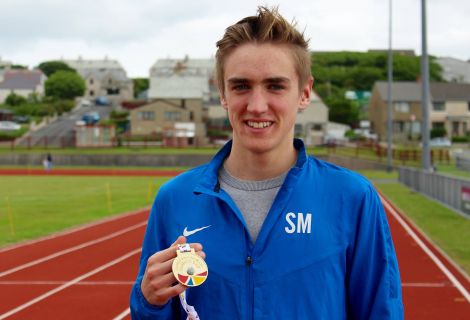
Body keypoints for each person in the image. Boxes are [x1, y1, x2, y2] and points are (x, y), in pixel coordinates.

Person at [130, 6, 404, 319]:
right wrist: (148, 301)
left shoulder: (352, 196)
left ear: (304, 93)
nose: (257, 106)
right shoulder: (174, 198)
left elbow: (381, 311)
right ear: (223, 94)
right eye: (241, 86)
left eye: (275, 86)